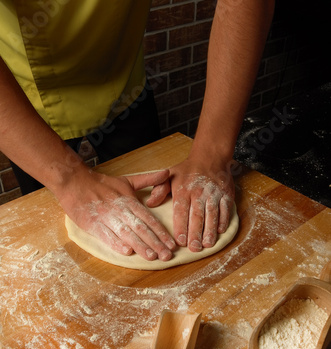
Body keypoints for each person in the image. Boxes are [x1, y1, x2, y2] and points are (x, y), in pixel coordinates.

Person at [0, 0, 275, 262]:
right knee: (51, 238)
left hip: (124, 81)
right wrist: (69, 180)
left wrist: (212, 152)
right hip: (25, 105)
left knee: (154, 197)